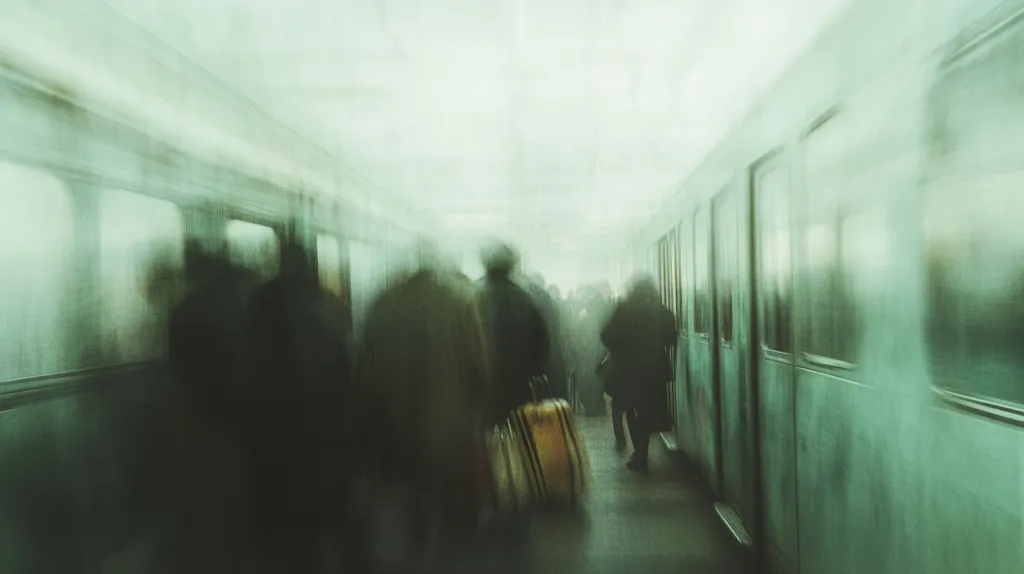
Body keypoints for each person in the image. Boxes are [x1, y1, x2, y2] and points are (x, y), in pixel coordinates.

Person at [354, 243, 492, 568]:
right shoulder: (461, 301)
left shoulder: (383, 302)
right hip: (449, 421)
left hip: (394, 422)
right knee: (448, 496)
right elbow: (480, 368)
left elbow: (365, 369)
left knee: (403, 493)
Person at [600, 274, 676, 471]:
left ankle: (640, 454)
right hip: (654, 370)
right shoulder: (661, 311)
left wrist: (621, 348)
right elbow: (671, 337)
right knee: (648, 409)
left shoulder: (624, 310)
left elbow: (606, 335)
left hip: (629, 370)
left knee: (633, 411)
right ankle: (644, 449)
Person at [475, 243, 550, 426]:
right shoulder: (524, 300)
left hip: (483, 391)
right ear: (511, 267)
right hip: (519, 388)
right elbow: (542, 346)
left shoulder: (474, 297)